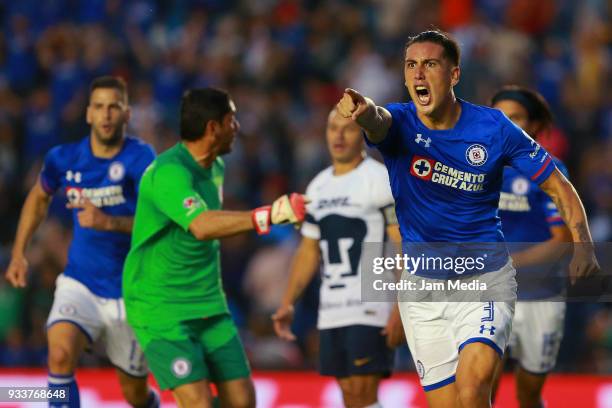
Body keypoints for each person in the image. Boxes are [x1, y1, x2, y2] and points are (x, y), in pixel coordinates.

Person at [336, 30, 599, 408]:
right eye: (411, 65)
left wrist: (583, 246)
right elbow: (379, 122)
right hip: (422, 290)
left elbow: (558, 185)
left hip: (484, 279)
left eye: (430, 64)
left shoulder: (493, 128)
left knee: (474, 387)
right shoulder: (400, 122)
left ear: (455, 74)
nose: (419, 74)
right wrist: (365, 112)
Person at [122, 87, 307, 408]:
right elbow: (202, 225)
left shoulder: (216, 168)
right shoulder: (168, 172)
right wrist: (268, 215)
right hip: (161, 306)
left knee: (242, 401)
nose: (237, 128)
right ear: (213, 128)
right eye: (232, 121)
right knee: (199, 403)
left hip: (208, 303)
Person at [4, 76, 159, 408]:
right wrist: (19, 253)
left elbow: (162, 224)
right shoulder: (65, 158)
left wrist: (109, 222)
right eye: (99, 107)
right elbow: (38, 198)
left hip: (130, 293)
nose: (106, 115)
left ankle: (150, 402)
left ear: (127, 114)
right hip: (80, 283)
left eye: (114, 107)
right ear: (88, 113)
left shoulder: (142, 159)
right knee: (59, 356)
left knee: (134, 394)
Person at [272, 109, 404, 408]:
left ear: (363, 135)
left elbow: (401, 244)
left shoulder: (378, 179)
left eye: (348, 129)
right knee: (349, 396)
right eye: (333, 128)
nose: (339, 136)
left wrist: (402, 305)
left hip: (371, 303)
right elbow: (308, 250)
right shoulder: (318, 186)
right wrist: (287, 302)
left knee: (362, 392)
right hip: (331, 307)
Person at [491, 86, 572, 407]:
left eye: (516, 118)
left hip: (540, 295)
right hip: (490, 293)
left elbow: (562, 242)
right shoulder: (475, 166)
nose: (507, 126)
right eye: (500, 118)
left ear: (534, 126)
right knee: (482, 383)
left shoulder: (550, 171)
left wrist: (511, 262)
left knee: (528, 393)